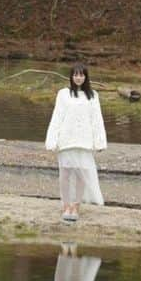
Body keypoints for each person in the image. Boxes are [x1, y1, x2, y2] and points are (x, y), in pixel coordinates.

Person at [44, 62, 107, 223]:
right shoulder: (63, 94)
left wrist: (99, 141)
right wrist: (52, 139)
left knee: (81, 174)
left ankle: (76, 206)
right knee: (65, 173)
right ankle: (65, 205)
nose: (78, 78)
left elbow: (96, 119)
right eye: (76, 75)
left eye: (81, 75)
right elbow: (57, 116)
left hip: (84, 140)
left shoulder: (92, 95)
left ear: (85, 77)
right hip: (66, 139)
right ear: (71, 77)